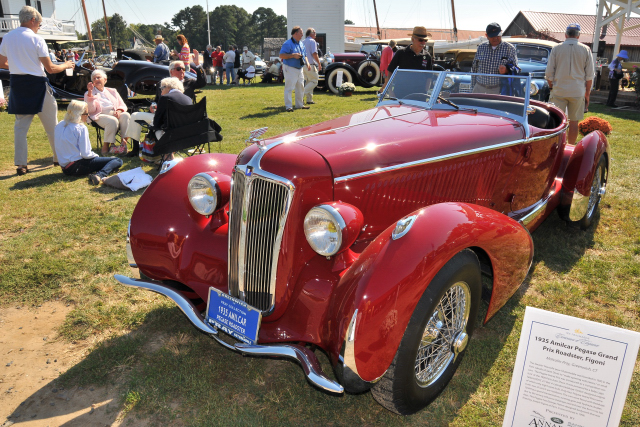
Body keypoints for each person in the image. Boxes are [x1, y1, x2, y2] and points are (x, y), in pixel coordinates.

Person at [0, 6, 75, 175]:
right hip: (37, 84)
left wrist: (19, 65)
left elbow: (2, 63)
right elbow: (51, 69)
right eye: (39, 24)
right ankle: (58, 159)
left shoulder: (7, 38)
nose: (39, 27)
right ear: (33, 20)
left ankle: (21, 164)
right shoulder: (36, 39)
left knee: (20, 127)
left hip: (18, 83)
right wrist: (66, 65)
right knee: (52, 126)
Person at [125, 59, 206, 156]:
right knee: (134, 115)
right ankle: (135, 148)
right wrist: (153, 104)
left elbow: (202, 82)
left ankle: (157, 148)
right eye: (179, 69)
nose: (182, 71)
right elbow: (157, 100)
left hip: (178, 120)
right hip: (161, 114)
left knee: (155, 124)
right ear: (171, 71)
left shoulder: (189, 83)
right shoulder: (162, 84)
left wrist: (198, 66)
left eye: (184, 69)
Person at [545, 23, 595, 145]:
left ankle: (556, 146)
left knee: (557, 121)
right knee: (574, 122)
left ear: (566, 34)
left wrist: (551, 87)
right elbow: (589, 76)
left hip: (559, 90)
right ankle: (571, 146)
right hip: (577, 91)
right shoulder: (586, 49)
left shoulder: (556, 48)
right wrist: (587, 94)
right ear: (578, 35)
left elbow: (549, 73)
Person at [55, 100, 123, 185]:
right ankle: (99, 175)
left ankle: (105, 169)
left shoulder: (60, 125)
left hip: (65, 168)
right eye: (86, 114)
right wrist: (97, 157)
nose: (88, 116)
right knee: (117, 160)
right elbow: (86, 154)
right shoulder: (80, 128)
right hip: (76, 166)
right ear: (79, 114)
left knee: (106, 162)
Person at [84, 69, 131, 155]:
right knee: (112, 121)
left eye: (98, 77)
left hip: (114, 113)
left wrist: (119, 110)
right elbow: (91, 110)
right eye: (94, 78)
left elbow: (122, 104)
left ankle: (123, 144)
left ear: (105, 80)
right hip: (98, 115)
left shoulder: (112, 91)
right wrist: (90, 94)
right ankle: (106, 147)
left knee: (126, 115)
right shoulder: (89, 93)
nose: (96, 79)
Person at [380, 26, 433, 94]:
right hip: (401, 93)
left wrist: (426, 91)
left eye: (425, 40)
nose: (423, 43)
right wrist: (390, 91)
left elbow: (429, 76)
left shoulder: (427, 56)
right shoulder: (401, 53)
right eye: (420, 40)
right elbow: (390, 71)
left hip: (420, 95)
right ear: (413, 39)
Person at [471, 22, 517, 94]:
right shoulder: (481, 47)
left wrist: (507, 70)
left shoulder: (510, 48)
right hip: (479, 88)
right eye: (492, 36)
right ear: (487, 36)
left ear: (501, 33)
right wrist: (473, 87)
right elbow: (474, 69)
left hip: (498, 90)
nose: (495, 38)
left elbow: (517, 69)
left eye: (498, 35)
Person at [279, 26, 311, 112]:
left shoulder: (301, 43)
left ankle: (300, 105)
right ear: (295, 33)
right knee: (289, 88)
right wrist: (293, 55)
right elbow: (281, 55)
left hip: (299, 68)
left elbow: (305, 55)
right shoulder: (287, 43)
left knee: (301, 87)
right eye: (301, 33)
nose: (302, 35)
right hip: (290, 68)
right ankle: (289, 106)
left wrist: (307, 63)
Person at [302, 27, 322, 104]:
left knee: (308, 82)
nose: (315, 34)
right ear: (311, 33)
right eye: (315, 32)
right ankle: (302, 95)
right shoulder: (312, 41)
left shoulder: (303, 42)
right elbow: (314, 53)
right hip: (310, 64)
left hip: (303, 65)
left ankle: (309, 99)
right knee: (314, 81)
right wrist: (319, 63)